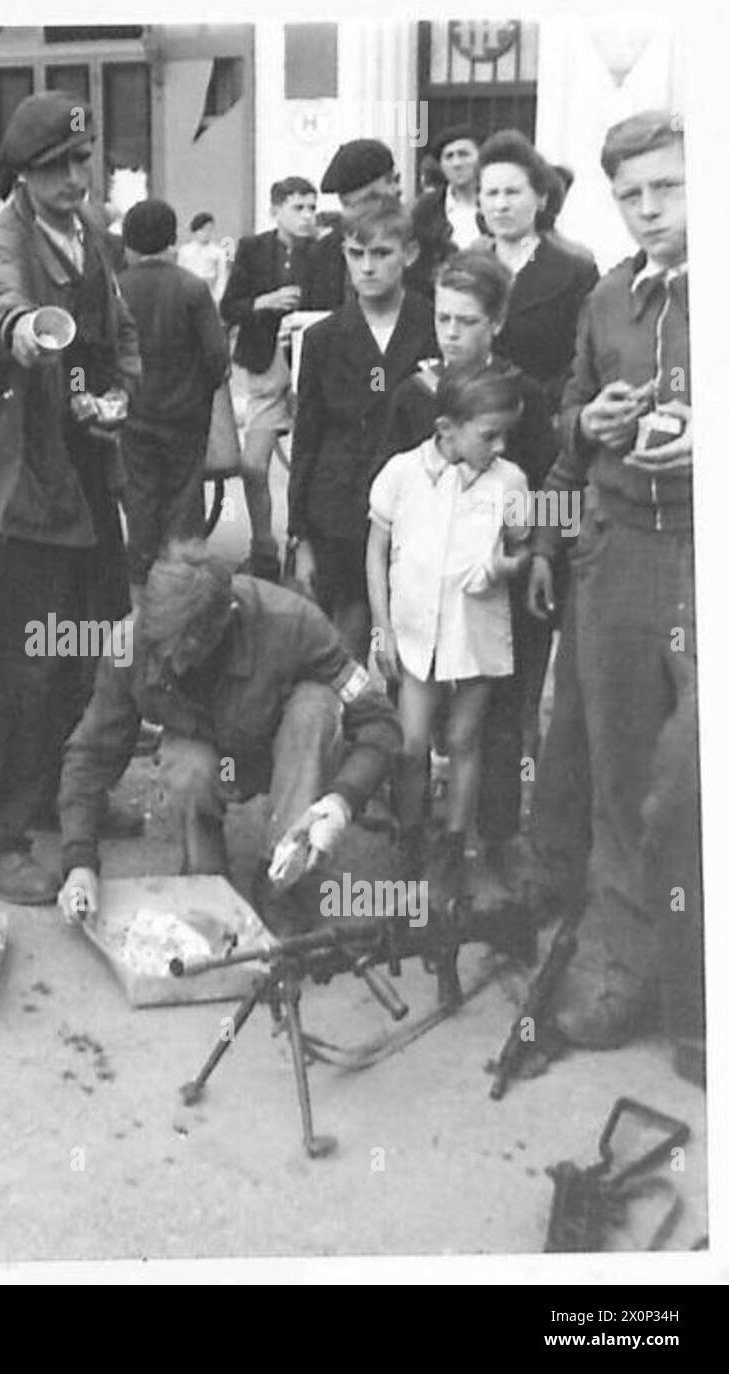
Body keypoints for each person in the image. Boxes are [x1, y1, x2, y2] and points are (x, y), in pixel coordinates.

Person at [525, 111, 698, 1081]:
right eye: (629, 193)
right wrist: (588, 419)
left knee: (693, 772)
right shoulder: (606, 299)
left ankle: (698, 985)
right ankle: (622, 971)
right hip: (620, 547)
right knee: (623, 766)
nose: (645, 209)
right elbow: (565, 419)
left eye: (665, 188)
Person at [0, 89, 142, 905]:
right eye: (56, 167)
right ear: (22, 176)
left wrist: (120, 398)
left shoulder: (91, 237)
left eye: (82, 158)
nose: (75, 176)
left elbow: (122, 331)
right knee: (21, 663)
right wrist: (24, 330)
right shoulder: (5, 237)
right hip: (31, 480)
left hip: (88, 470)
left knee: (89, 647)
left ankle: (62, 799)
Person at [56, 540, 401, 933]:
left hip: (278, 753)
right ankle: (205, 872)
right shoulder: (129, 645)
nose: (171, 662)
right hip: (213, 763)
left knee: (315, 709)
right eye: (160, 649)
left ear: (224, 621)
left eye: (185, 649)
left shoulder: (292, 624)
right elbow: (90, 754)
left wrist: (341, 802)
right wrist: (79, 862)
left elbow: (381, 722)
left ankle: (283, 875)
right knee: (186, 768)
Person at [377, 251, 558, 892]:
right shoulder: (414, 393)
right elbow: (388, 504)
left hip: (497, 592)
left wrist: (537, 555)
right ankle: (414, 833)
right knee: (417, 724)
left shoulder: (523, 399)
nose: (451, 333)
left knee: (493, 719)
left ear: (497, 322)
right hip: (426, 595)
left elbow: (543, 488)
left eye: (467, 321)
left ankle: (496, 834)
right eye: (442, 318)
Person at [367, 362, 531, 896]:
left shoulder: (509, 481)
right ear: (446, 429)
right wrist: (382, 627)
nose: (500, 444)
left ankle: (455, 844)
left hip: (474, 633)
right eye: (489, 434)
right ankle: (409, 833)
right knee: (411, 744)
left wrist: (512, 565)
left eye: (507, 433)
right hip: (415, 634)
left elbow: (521, 542)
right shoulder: (401, 474)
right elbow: (377, 551)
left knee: (464, 738)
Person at [287, 199, 436, 662]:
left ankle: (403, 733)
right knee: (343, 642)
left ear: (408, 254)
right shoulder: (323, 338)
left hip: (418, 508)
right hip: (339, 509)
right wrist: (300, 536)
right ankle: (349, 731)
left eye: (381, 254)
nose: (367, 267)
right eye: (356, 254)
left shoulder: (434, 325)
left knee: (414, 641)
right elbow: (306, 436)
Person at [118, 198, 229, 585]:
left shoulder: (117, 288)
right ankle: (184, 586)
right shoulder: (192, 288)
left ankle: (142, 585)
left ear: (128, 243)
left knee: (142, 498)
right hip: (186, 415)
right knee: (185, 499)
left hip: (134, 413)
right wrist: (200, 391)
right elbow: (218, 357)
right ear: (172, 239)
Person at [219, 176, 318, 582]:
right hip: (268, 365)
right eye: (298, 208)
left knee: (311, 465)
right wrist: (265, 303)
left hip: (313, 366)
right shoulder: (253, 249)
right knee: (253, 465)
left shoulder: (326, 251)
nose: (307, 216)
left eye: (312, 207)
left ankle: (304, 542)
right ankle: (263, 548)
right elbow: (229, 307)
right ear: (275, 210)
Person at [476, 129, 599, 412]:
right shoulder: (468, 268)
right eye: (491, 193)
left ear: (541, 198)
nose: (501, 205)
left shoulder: (575, 271)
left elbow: (583, 360)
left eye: (513, 192)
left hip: (544, 418)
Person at [306, 138, 401, 310]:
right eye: (349, 205)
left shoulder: (423, 244)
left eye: (370, 200)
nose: (396, 190)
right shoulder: (323, 254)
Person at [410, 124, 484, 294]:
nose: (456, 163)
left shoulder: (497, 203)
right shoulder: (425, 209)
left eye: (464, 154)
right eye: (449, 157)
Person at [177, 210, 228, 303]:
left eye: (209, 229)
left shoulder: (218, 252)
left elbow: (222, 277)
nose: (206, 233)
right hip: (188, 293)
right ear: (195, 231)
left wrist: (218, 298)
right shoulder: (184, 250)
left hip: (210, 294)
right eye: (203, 230)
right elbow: (180, 275)